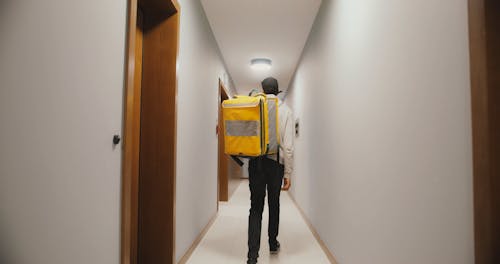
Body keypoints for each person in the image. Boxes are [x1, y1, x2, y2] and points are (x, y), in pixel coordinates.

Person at [247, 77, 294, 264]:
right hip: (276, 164)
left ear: (263, 90)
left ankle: (252, 257)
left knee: (255, 207)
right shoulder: (286, 111)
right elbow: (288, 147)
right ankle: (273, 243)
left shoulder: (253, 107)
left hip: (256, 163)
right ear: (277, 91)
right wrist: (288, 173)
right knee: (274, 204)